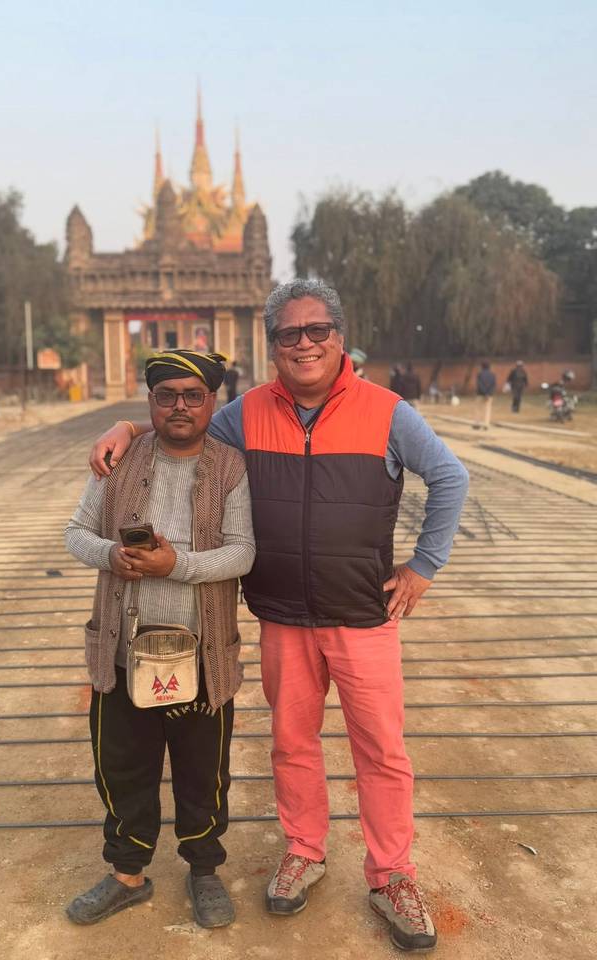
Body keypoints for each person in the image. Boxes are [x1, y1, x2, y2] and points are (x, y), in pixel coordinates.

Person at [87, 280, 469, 953]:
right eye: (289, 334)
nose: (304, 343)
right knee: (293, 743)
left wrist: (423, 567)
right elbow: (185, 422)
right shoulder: (247, 414)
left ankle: (392, 873)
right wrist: (130, 427)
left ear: (339, 337)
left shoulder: (387, 413)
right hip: (283, 617)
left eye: (316, 329)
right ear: (273, 347)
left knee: (380, 750)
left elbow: (451, 477)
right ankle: (304, 849)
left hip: (363, 615)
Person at [64, 350, 255, 930]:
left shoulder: (230, 468)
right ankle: (127, 873)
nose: (179, 406)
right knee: (123, 765)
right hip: (123, 652)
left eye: (193, 396)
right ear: (150, 402)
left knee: (202, 769)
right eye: (166, 395)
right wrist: (111, 556)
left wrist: (175, 565)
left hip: (200, 653)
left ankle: (204, 871)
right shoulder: (118, 462)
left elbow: (243, 550)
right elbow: (76, 532)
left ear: (211, 403)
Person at [475, 361, 497, 429]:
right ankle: (486, 424)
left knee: (479, 408)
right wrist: (488, 393)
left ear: (482, 367)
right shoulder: (493, 375)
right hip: (489, 394)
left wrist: (484, 392)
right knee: (487, 409)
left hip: (480, 394)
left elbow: (479, 384)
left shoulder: (479, 374)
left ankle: (477, 423)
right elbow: (493, 385)